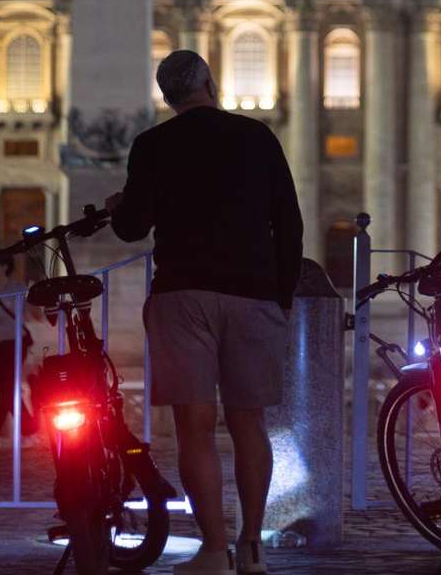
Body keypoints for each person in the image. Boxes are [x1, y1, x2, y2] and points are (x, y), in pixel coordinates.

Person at [111, 50, 302, 575]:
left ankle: (214, 550)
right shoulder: (257, 137)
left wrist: (118, 206)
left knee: (193, 426)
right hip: (252, 295)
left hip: (183, 295)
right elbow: (289, 222)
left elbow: (132, 227)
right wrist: (280, 296)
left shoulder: (152, 145)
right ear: (211, 85)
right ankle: (252, 547)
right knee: (249, 422)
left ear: (168, 98)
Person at [0, 254, 41, 447]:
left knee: (6, 388)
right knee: (8, 388)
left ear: (5, 266)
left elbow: (35, 313)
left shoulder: (18, 289)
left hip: (16, 341)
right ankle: (30, 432)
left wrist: (36, 299)